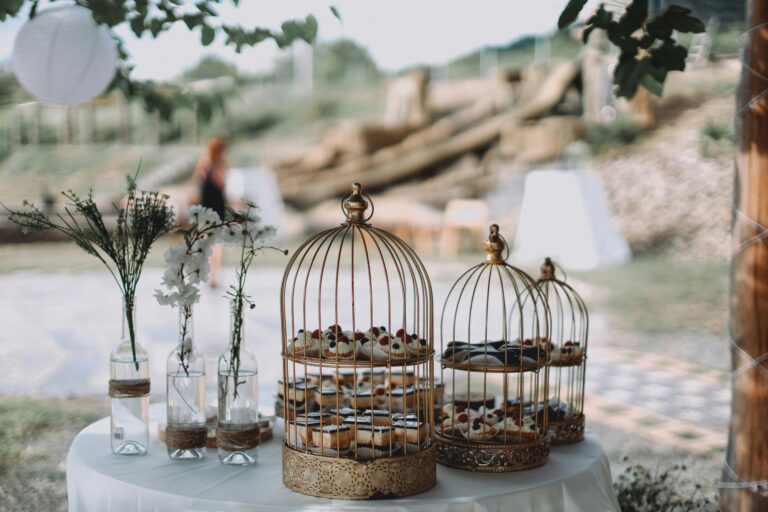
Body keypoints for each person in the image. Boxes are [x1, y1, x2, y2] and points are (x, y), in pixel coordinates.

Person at [194, 136, 228, 287]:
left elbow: (199, 180)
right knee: (213, 243)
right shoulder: (214, 164)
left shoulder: (205, 162)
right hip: (213, 208)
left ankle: (211, 275)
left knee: (209, 242)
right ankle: (213, 275)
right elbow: (220, 183)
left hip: (208, 207)